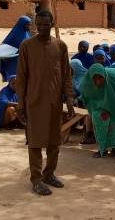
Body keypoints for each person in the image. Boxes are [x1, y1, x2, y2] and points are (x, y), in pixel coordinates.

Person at [16, 10, 75, 196]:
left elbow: (66, 75)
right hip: (33, 102)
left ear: (52, 24)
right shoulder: (26, 46)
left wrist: (70, 99)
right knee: (34, 142)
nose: (41, 28)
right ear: (35, 24)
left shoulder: (60, 46)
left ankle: (49, 174)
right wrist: (20, 104)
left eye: (45, 24)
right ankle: (36, 179)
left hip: (54, 103)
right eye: (38, 24)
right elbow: (22, 77)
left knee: (54, 142)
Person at [80, 63, 115, 158]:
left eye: (100, 78)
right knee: (98, 121)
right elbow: (88, 99)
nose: (98, 82)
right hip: (99, 107)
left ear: (104, 76)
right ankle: (102, 148)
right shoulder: (87, 84)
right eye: (95, 78)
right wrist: (98, 108)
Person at [0, 16, 32, 81]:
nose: (29, 27)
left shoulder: (26, 34)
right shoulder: (15, 34)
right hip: (14, 63)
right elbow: (5, 47)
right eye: (27, 25)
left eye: (30, 25)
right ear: (22, 24)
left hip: (23, 62)